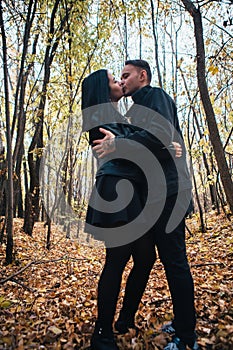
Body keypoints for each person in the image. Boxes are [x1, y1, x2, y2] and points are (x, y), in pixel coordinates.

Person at [92, 60, 199, 350]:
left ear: (143, 76)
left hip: (169, 193)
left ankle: (187, 337)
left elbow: (158, 136)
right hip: (150, 197)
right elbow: (153, 143)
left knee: (174, 263)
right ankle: (181, 322)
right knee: (158, 260)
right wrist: (166, 145)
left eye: (126, 75)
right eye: (119, 77)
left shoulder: (155, 97)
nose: (123, 81)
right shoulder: (130, 112)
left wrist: (161, 145)